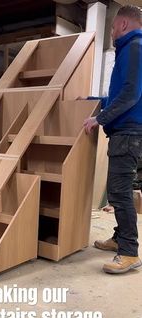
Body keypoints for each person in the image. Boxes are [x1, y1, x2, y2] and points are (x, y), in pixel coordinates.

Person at [84, 5, 142, 274]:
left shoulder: (134, 47)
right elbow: (121, 94)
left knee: (119, 191)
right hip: (124, 130)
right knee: (118, 190)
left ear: (122, 25)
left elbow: (131, 95)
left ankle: (129, 252)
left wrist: (100, 118)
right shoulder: (129, 50)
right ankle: (120, 238)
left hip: (128, 131)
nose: (110, 33)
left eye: (111, 28)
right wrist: (93, 104)